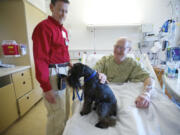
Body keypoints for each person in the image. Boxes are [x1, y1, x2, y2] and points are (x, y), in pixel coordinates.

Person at [32, 0, 72, 135]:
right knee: (57, 115)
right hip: (53, 75)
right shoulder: (43, 28)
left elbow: (63, 53)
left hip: (64, 73)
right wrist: (46, 88)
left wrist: (69, 63)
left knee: (65, 110)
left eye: (66, 11)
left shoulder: (64, 31)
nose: (63, 14)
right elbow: (40, 59)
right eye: (60, 10)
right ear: (51, 7)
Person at [94, 38, 153, 108]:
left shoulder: (133, 64)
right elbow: (92, 72)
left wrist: (146, 93)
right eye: (116, 47)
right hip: (106, 92)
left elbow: (149, 78)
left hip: (125, 94)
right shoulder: (105, 61)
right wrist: (99, 75)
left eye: (121, 48)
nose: (118, 50)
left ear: (129, 50)